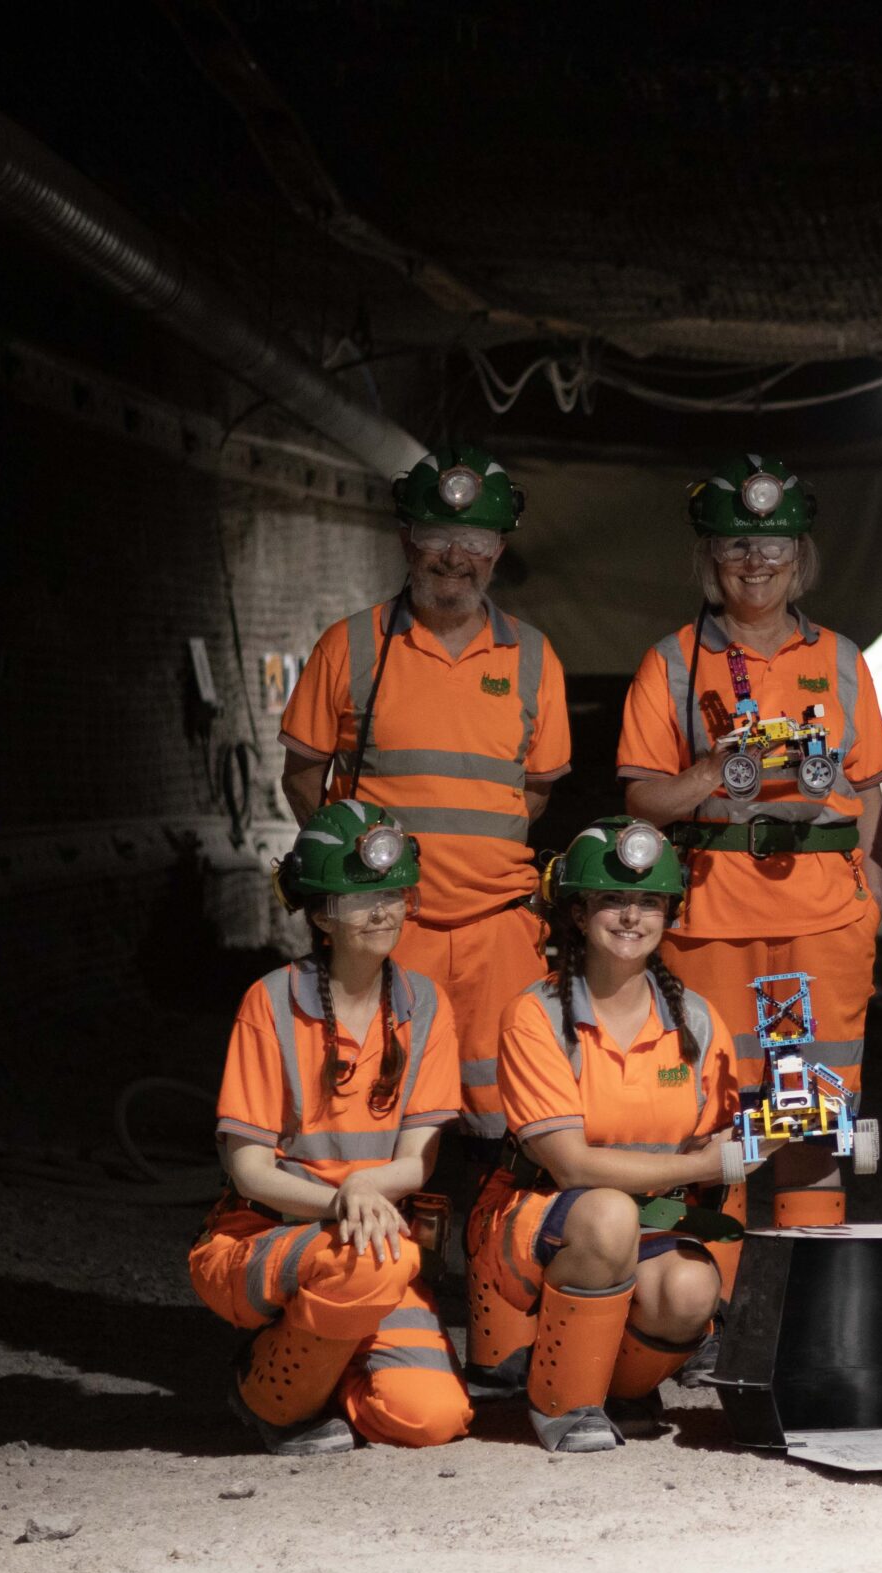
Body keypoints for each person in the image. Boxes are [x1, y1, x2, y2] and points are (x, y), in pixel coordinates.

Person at [277, 444, 568, 1392]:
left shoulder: (531, 656)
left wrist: (470, 866)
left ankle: (492, 1325)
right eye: (439, 537)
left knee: (501, 1132)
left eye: (475, 539)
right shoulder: (352, 647)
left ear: (497, 548)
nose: (456, 557)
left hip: (496, 934)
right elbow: (304, 777)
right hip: (382, 935)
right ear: (408, 539)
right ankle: (392, 1308)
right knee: (381, 1125)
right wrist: (365, 880)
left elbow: (534, 791)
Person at [620, 454, 882, 1238]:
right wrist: (708, 771)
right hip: (712, 919)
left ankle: (806, 1318)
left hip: (825, 920)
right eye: (737, 546)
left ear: (800, 558)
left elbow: (868, 789)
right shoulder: (673, 660)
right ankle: (715, 1322)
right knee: (716, 1120)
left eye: (774, 545)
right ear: (710, 558)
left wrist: (866, 895)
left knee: (819, 1113)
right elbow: (641, 798)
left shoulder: (841, 658)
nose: (756, 561)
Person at [190, 802, 471, 1454]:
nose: (382, 910)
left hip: (364, 1239)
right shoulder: (271, 1001)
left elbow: (418, 1161)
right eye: (359, 895)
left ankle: (332, 1369)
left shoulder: (424, 1003)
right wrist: (342, 1199)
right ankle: (269, 1401)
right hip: (266, 1235)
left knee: (432, 1417)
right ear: (320, 914)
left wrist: (364, 1195)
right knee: (386, 1258)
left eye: (392, 892)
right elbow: (249, 1168)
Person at [468, 818, 749, 1453]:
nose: (631, 917)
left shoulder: (696, 1019)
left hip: (648, 1222)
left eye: (649, 902)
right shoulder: (537, 1014)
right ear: (575, 912)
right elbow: (569, 1165)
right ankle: (565, 1403)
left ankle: (621, 1389)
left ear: (668, 915)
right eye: (611, 901)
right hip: (542, 1220)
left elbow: (721, 1153)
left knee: (690, 1290)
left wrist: (782, 1135)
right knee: (606, 1214)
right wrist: (705, 1164)